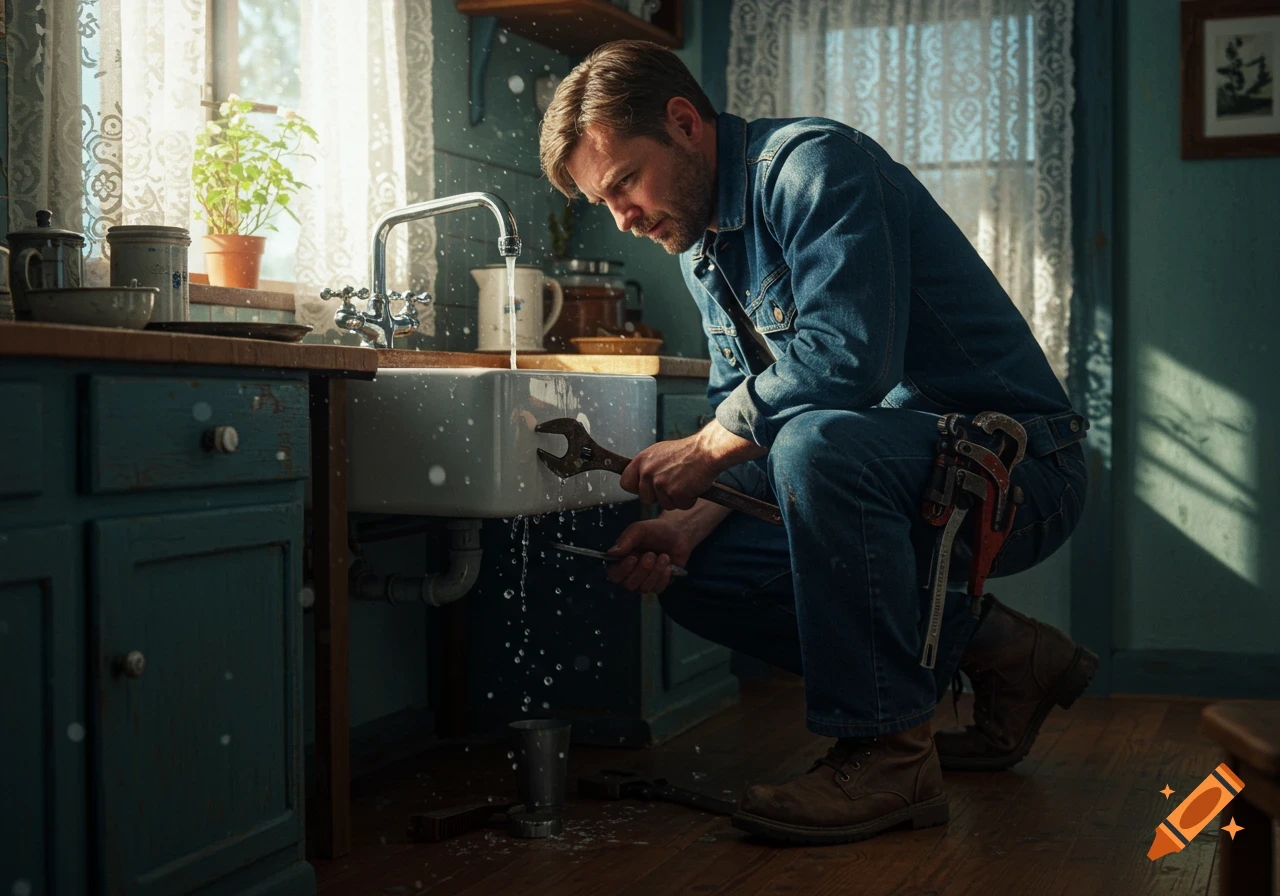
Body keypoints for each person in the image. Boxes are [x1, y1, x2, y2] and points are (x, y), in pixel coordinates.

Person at [538, 39, 1096, 846]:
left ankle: (889, 755)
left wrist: (702, 452)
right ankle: (1005, 652)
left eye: (624, 180)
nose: (623, 216)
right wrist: (685, 524)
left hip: (1018, 473)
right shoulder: (701, 245)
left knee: (817, 444)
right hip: (893, 472)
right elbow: (742, 410)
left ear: (686, 123)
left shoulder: (813, 167)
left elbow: (847, 359)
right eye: (603, 202)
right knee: (697, 570)